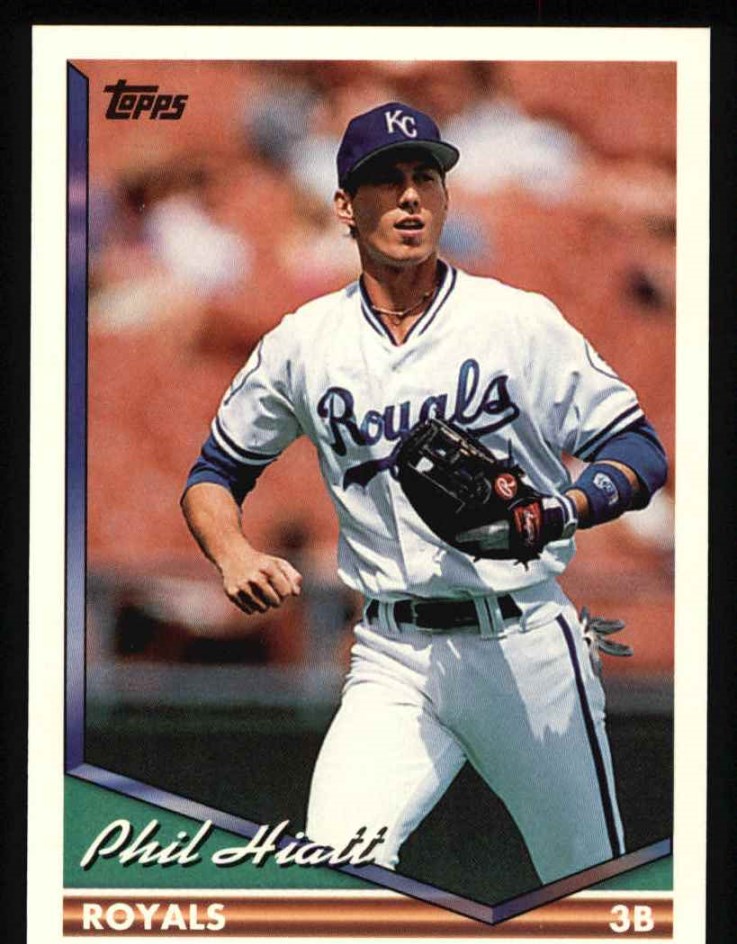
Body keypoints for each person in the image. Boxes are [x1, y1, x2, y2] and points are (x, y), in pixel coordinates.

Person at [181, 102, 668, 885]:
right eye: (386, 180)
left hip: (523, 642)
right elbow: (215, 473)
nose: (409, 197)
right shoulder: (304, 342)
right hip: (392, 653)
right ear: (345, 206)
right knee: (332, 877)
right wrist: (232, 551)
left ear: (443, 198)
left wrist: (561, 509)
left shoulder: (515, 322)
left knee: (586, 893)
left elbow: (636, 449)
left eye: (425, 178)